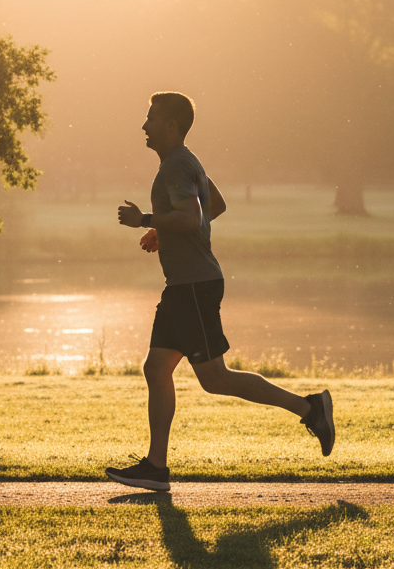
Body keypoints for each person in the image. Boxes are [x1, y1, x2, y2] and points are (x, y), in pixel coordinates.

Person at [106, 91, 335, 491]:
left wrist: (144, 218)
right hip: (187, 284)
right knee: (158, 369)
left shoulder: (175, 166)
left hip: (193, 285)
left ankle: (310, 407)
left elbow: (194, 217)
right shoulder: (187, 161)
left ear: (171, 126)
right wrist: (164, 228)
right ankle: (155, 468)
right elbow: (218, 204)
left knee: (214, 378)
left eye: (151, 119)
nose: (144, 126)